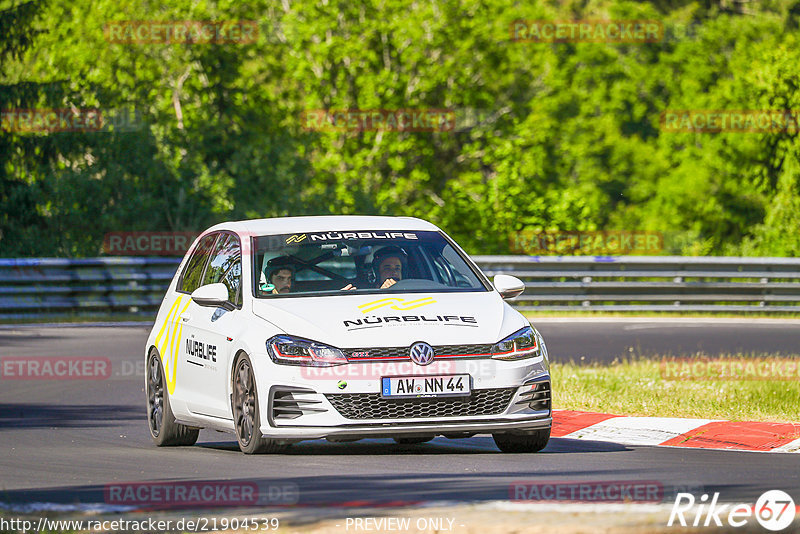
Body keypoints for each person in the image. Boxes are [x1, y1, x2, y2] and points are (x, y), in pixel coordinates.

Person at [342, 246, 406, 290]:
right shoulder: (361, 297)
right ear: (373, 273)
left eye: (397, 269)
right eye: (387, 268)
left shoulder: (413, 294)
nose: (394, 272)